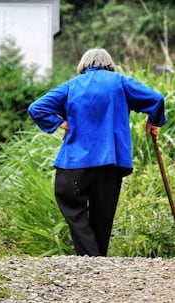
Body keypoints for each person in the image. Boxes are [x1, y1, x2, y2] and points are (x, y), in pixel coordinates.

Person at [28, 48, 168, 256]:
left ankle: (90, 260)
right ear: (110, 65)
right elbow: (156, 99)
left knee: (69, 201)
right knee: (103, 215)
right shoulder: (120, 82)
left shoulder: (71, 85)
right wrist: (153, 121)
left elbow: (36, 107)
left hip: (75, 163)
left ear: (83, 66)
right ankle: (98, 261)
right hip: (111, 163)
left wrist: (60, 122)